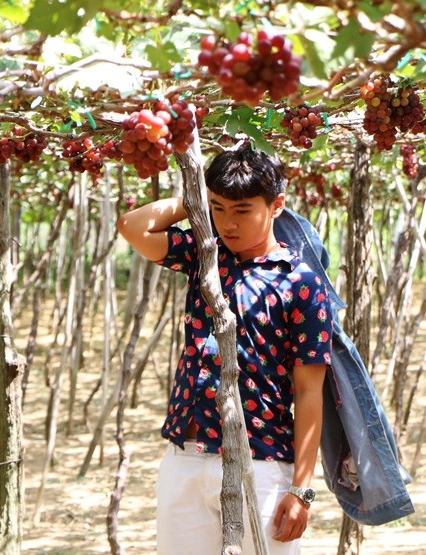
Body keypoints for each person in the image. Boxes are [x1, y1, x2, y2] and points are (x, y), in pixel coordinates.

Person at [116, 143, 332, 555]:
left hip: (262, 460)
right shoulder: (204, 254)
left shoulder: (300, 281)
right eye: (218, 208)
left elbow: (308, 391)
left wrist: (302, 488)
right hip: (186, 456)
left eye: (242, 210)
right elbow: (132, 226)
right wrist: (195, 200)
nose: (228, 224)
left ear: (276, 206)